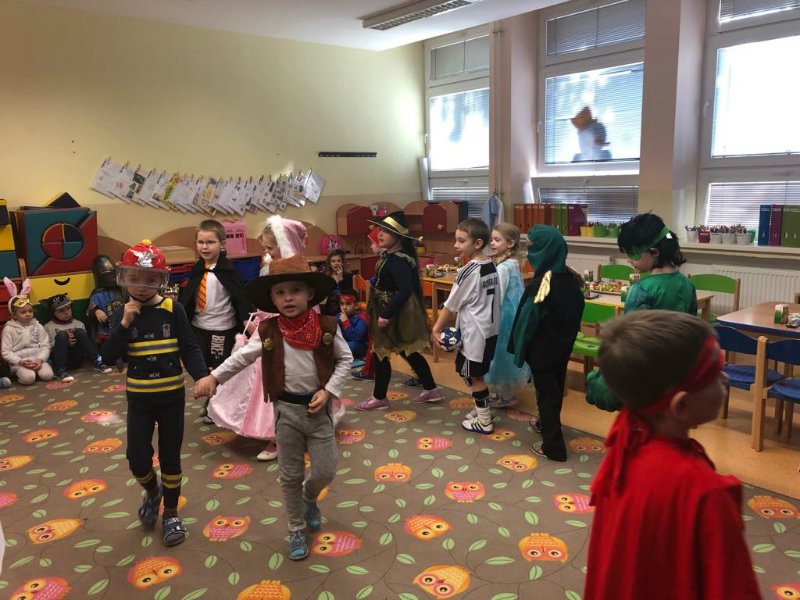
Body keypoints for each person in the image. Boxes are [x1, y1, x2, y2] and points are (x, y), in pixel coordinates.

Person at [584, 310, 762, 600]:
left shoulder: (624, 451)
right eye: (714, 374)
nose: (725, 378)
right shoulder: (705, 492)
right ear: (681, 406)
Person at [193, 254, 353, 560]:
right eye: (280, 292)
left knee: (325, 470)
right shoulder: (269, 330)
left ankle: (309, 497)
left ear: (310, 293)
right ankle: (296, 528)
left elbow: (345, 359)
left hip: (318, 412)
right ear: (272, 299)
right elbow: (241, 358)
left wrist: (329, 390)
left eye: (295, 290)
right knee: (290, 474)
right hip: (286, 413)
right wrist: (214, 377)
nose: (288, 298)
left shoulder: (327, 326)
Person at [101, 240, 207, 547]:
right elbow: (108, 356)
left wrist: (202, 376)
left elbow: (189, 347)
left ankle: (171, 512)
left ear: (161, 279)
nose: (141, 286)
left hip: (171, 397)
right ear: (123, 277)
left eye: (150, 279)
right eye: (134, 278)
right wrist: (124, 324)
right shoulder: (122, 312)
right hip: (139, 400)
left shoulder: (173, 309)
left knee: (171, 458)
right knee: (136, 458)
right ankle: (152, 490)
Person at [206, 215, 313, 462]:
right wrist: (261, 317)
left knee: (289, 390)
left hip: (291, 346)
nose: (267, 252)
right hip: (270, 339)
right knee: (271, 391)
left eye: (270, 247)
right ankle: (278, 434)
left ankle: (283, 437)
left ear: (284, 244)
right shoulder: (273, 268)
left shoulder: (300, 274)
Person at [587, 213, 698, 412]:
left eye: (633, 253)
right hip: (678, 373)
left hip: (646, 377)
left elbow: (630, 340)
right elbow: (692, 329)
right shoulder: (687, 284)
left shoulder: (642, 289)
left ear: (654, 252)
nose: (629, 260)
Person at [509, 226, 584, 461]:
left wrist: (519, 351)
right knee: (554, 391)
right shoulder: (571, 280)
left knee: (546, 396)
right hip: (562, 349)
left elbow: (526, 325)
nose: (529, 252)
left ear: (544, 251)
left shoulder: (542, 286)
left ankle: (554, 448)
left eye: (533, 247)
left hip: (543, 353)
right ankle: (544, 423)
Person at [355, 211, 440, 411]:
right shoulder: (389, 256)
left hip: (393, 313)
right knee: (406, 351)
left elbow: (404, 290)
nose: (380, 234)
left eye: (386, 231)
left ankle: (379, 397)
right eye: (380, 230)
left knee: (380, 351)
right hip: (388, 310)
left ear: (398, 237)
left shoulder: (399, 261)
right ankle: (431, 388)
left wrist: (386, 314)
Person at [431, 218, 500, 434]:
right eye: (456, 240)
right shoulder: (491, 265)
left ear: (478, 243)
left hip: (475, 333)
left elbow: (450, 305)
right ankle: (482, 409)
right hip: (490, 331)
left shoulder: (469, 271)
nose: (456, 245)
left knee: (474, 376)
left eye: (461, 241)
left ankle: (484, 420)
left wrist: (436, 328)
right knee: (470, 372)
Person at [179, 219, 251, 422]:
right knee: (199, 364)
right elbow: (188, 297)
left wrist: (246, 319)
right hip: (198, 327)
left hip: (222, 328)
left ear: (222, 244)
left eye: (210, 242)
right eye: (201, 242)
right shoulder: (197, 269)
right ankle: (211, 398)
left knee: (220, 368)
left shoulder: (229, 270)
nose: (205, 247)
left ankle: (214, 404)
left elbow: (240, 297)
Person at [483, 223, 531, 409]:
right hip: (512, 314)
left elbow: (498, 295)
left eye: (497, 240)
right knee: (504, 354)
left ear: (510, 243)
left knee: (500, 354)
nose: (492, 243)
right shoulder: (512, 263)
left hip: (503, 316)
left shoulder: (503, 267)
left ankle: (507, 396)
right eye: (492, 239)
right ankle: (504, 393)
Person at [43, 293, 111, 382]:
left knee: (79, 332)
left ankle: (98, 362)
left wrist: (75, 340)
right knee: (62, 335)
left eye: (68, 308)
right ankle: (60, 371)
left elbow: (85, 344)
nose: (66, 312)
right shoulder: (48, 327)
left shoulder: (78, 323)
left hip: (76, 358)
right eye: (61, 311)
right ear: (53, 313)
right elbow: (48, 348)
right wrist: (65, 342)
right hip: (59, 359)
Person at [1, 278, 53, 385]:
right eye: (23, 312)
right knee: (28, 379)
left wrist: (40, 359)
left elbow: (45, 345)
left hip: (37, 358)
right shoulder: (9, 329)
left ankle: (37, 371)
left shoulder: (37, 326)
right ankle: (19, 374)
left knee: (48, 376)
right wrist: (20, 362)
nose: (28, 314)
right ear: (14, 315)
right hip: (20, 360)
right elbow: (6, 352)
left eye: (30, 311)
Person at [87, 254, 127, 370]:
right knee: (108, 357)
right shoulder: (97, 294)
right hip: (106, 332)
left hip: (123, 329)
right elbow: (89, 311)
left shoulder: (121, 290)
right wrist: (96, 311)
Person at [337, 289, 368, 359]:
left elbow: (355, 337)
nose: (344, 307)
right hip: (343, 344)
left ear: (356, 305)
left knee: (352, 345)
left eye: (348, 304)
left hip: (358, 346)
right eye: (342, 304)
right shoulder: (339, 316)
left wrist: (345, 322)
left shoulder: (361, 319)